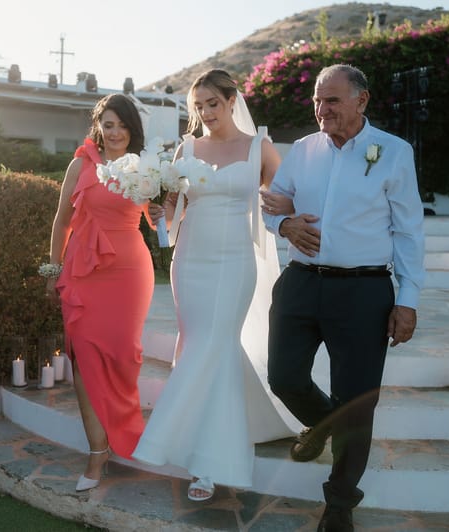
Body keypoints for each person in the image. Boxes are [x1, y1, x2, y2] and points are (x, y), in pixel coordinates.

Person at [263, 64, 425, 532]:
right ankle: (327, 422)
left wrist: (407, 299)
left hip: (363, 291)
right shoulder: (302, 151)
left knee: (358, 397)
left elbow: (409, 231)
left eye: (332, 100)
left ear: (362, 101)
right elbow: (273, 202)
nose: (321, 108)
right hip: (299, 282)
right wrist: (284, 225)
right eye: (317, 99)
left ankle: (339, 504)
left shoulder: (393, 153)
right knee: (284, 376)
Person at [132, 69, 297, 502]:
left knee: (215, 345)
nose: (205, 113)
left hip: (236, 263)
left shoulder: (259, 147)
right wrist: (157, 215)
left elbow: (289, 197)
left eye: (212, 104)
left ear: (230, 100)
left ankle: (206, 463)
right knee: (202, 345)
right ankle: (234, 433)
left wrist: (287, 211)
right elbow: (169, 213)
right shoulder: (187, 148)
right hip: (192, 262)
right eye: (198, 106)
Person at [45, 94, 154, 492]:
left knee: (124, 354)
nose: (115, 133)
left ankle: (124, 430)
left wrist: (163, 208)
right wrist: (52, 269)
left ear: (132, 130)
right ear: (98, 126)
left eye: (123, 125)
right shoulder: (81, 164)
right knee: (85, 357)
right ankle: (97, 451)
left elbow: (158, 218)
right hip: (84, 272)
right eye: (108, 124)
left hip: (129, 270)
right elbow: (61, 221)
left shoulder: (145, 166)